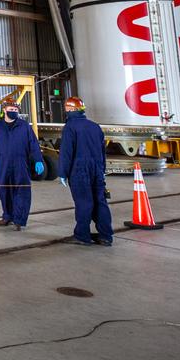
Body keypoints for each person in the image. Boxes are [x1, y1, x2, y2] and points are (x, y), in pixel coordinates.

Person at [58, 96, 113, 247]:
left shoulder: (70, 127)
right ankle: (106, 236)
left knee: (84, 202)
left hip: (79, 170)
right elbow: (102, 151)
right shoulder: (95, 126)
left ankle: (82, 235)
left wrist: (62, 172)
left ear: (69, 109)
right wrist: (102, 170)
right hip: (97, 168)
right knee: (100, 202)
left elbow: (66, 152)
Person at [0, 98, 43, 231]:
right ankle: (7, 216)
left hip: (21, 164)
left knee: (22, 191)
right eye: (11, 110)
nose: (14, 112)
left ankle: (19, 219)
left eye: (16, 110)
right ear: (4, 110)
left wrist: (38, 159)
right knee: (4, 190)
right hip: (3, 164)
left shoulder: (24, 126)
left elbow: (33, 144)